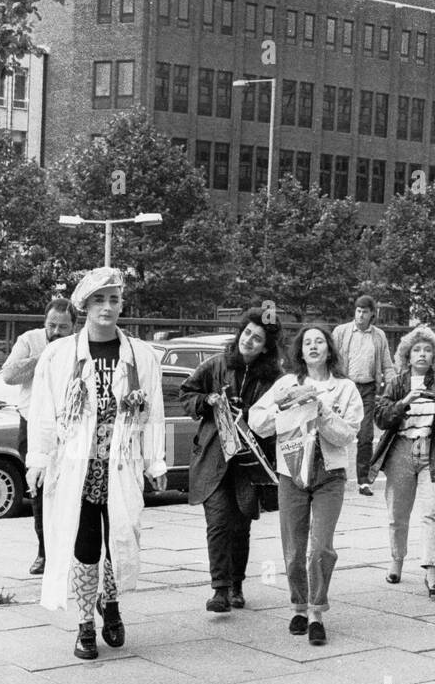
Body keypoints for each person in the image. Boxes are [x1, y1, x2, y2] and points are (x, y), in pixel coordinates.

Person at [26, 267, 166, 660]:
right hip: (77, 467)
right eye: (98, 300)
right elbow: (43, 412)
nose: (107, 307)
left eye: (114, 300)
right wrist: (37, 459)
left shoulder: (141, 355)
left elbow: (153, 412)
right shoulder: (59, 355)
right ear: (84, 306)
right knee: (85, 545)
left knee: (119, 540)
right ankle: (86, 622)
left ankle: (113, 604)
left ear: (122, 305)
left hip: (121, 464)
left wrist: (156, 462)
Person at [249, 324, 363, 645]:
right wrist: (282, 406)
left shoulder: (345, 389)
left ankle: (316, 612)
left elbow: (346, 434)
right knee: (294, 548)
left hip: (329, 474)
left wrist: (321, 408)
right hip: (291, 472)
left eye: (320, 342)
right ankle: (298, 607)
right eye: (307, 342)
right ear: (299, 351)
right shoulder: (286, 383)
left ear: (329, 349)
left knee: (322, 546)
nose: (313, 347)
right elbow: (257, 421)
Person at [180, 308, 280, 612]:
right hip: (213, 457)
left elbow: (278, 414)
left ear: (265, 347)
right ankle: (220, 590)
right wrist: (206, 401)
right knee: (218, 522)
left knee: (240, 525)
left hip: (248, 462)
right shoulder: (216, 365)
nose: (249, 340)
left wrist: (253, 417)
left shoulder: (273, 378)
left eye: (257, 338)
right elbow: (186, 393)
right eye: (247, 333)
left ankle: (236, 583)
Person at [369, 326, 435, 596]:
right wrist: (403, 404)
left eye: (427, 349)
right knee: (397, 513)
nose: (422, 354)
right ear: (407, 356)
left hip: (433, 452)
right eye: (416, 350)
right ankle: (396, 561)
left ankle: (431, 572)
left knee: (432, 511)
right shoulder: (398, 382)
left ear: (434, 355)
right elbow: (381, 417)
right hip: (400, 451)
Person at [1, 297, 75, 574]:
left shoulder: (77, 345)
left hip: (67, 427)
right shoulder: (29, 340)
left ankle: (69, 552)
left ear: (73, 327)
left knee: (69, 490)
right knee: (39, 489)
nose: (56, 332)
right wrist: (44, 356)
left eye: (63, 328)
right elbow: (8, 375)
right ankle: (44, 553)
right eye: (51, 325)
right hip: (32, 424)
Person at [333, 295, 395, 494]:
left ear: (372, 314)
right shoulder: (341, 332)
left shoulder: (379, 336)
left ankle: (363, 480)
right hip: (343, 387)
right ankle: (333, 478)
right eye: (358, 311)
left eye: (365, 312)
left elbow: (387, 364)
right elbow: (331, 359)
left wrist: (394, 385)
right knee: (335, 431)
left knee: (366, 435)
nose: (360, 315)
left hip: (367, 389)